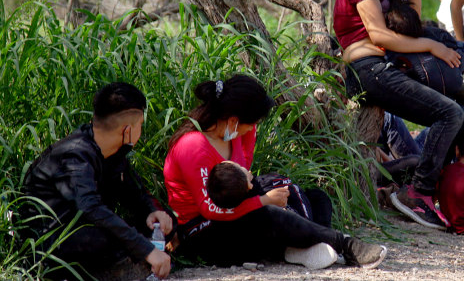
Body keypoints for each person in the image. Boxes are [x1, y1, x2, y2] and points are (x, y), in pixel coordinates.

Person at [333, 0, 464, 230]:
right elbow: (378, 34)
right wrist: (430, 46)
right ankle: (419, 192)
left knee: (461, 116)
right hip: (367, 70)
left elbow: (408, 21)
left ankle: (455, 189)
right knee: (449, 114)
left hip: (386, 67)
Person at [163, 75, 387, 270]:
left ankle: (308, 247)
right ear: (234, 120)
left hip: (237, 213)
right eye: (251, 124)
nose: (253, 129)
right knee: (268, 212)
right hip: (206, 230)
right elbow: (210, 209)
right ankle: (345, 246)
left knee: (317, 198)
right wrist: (262, 200)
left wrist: (264, 194)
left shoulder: (240, 133)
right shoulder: (193, 146)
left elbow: (245, 180)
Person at [21, 82, 173, 280]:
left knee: (164, 222)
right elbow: (90, 208)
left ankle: (135, 261)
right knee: (105, 240)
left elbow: (135, 193)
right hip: (53, 241)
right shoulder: (76, 155)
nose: (140, 132)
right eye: (141, 126)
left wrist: (153, 212)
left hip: (90, 229)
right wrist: (145, 249)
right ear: (127, 130)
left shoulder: (114, 153)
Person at [384, 2, 464, 116]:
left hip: (424, 87)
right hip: (452, 79)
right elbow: (460, 51)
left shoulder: (395, 49)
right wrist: (458, 67)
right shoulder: (432, 34)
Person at [206, 161, 332, 228]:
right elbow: (294, 191)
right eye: (239, 166)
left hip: (293, 222)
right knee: (318, 196)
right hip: (303, 221)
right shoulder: (264, 187)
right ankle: (323, 237)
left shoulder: (240, 206)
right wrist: (312, 227)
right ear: (248, 184)